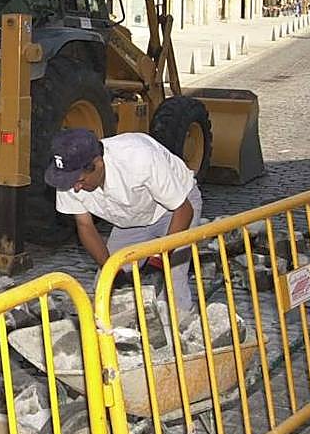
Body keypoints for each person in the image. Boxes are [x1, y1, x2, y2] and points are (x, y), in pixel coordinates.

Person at [45, 128, 202, 320]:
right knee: (106, 287)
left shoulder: (139, 157)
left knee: (171, 286)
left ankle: (182, 329)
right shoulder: (68, 180)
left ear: (98, 164)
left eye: (80, 180)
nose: (75, 188)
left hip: (175, 209)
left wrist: (158, 262)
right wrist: (114, 271)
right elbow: (85, 226)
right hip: (131, 219)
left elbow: (184, 210)